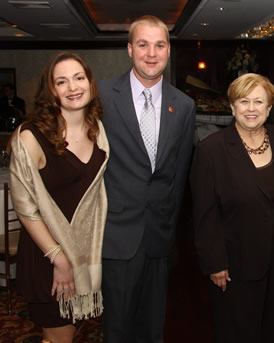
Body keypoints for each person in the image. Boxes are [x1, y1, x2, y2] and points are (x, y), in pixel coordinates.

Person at [98, 15, 196, 342]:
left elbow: (179, 176)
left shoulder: (183, 106)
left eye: (159, 45)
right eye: (143, 44)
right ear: (129, 49)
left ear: (168, 50)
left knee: (153, 329)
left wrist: (170, 228)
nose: (151, 53)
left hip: (159, 238)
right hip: (116, 236)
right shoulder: (101, 97)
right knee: (117, 329)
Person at [191, 73, 274, 343]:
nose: (251, 108)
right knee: (238, 332)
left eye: (258, 102)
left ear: (269, 108)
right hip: (236, 265)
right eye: (244, 101)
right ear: (232, 107)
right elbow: (204, 215)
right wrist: (215, 263)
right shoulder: (211, 150)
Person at [9, 51, 109, 343]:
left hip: (81, 255)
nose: (73, 87)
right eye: (61, 82)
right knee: (58, 336)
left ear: (90, 82)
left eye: (79, 78)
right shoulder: (31, 135)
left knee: (68, 333)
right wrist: (59, 258)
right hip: (48, 258)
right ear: (51, 90)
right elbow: (25, 207)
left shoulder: (98, 130)